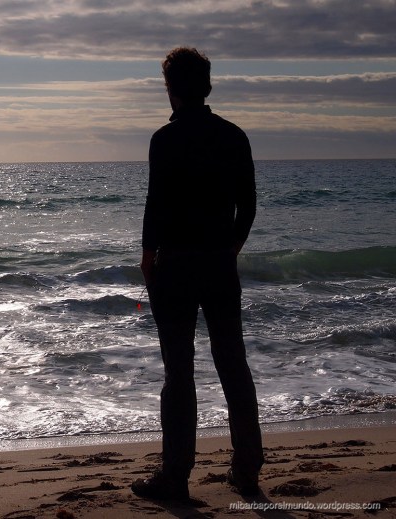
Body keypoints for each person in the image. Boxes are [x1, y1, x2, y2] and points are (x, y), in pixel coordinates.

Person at [131, 47, 264, 501]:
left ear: (170, 89)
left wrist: (148, 257)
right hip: (218, 262)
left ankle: (176, 475)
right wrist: (230, 248)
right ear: (207, 86)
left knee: (179, 370)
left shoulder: (164, 139)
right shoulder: (233, 136)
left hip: (175, 264)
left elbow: (156, 205)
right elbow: (248, 205)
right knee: (232, 362)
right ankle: (247, 469)